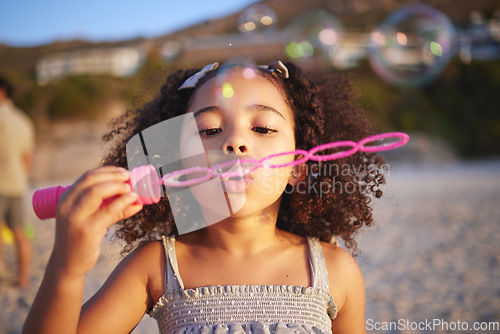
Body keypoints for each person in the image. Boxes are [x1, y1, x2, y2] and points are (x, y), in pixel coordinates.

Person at [23, 60, 386, 333]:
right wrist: (67, 267)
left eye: (262, 127)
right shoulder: (156, 267)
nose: (235, 142)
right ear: (177, 163)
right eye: (209, 129)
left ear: (298, 166)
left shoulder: (335, 269)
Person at [0, 77, 35, 288]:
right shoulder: (23, 120)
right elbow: (27, 157)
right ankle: (23, 277)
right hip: (17, 183)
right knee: (19, 232)